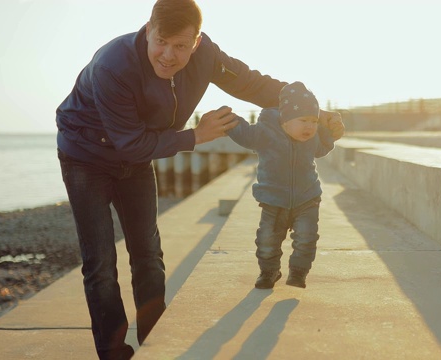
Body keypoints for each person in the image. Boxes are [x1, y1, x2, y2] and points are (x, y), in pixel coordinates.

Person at [55, 0, 344, 359]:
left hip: (139, 154)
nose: (168, 55)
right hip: (87, 157)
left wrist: (312, 111)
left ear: (196, 42)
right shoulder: (112, 66)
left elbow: (253, 85)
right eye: (161, 41)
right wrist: (195, 136)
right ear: (148, 30)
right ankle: (114, 353)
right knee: (100, 262)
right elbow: (130, 145)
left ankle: (153, 342)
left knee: (147, 252)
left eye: (181, 46)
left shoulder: (206, 54)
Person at [226, 81, 341, 290]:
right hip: (273, 199)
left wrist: (329, 133)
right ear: (285, 121)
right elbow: (245, 135)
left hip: (307, 198)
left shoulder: (312, 137)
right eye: (303, 120)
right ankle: (269, 272)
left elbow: (322, 148)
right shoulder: (266, 133)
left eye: (314, 121)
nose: (310, 126)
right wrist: (230, 120)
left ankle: (298, 272)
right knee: (267, 240)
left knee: (306, 238)